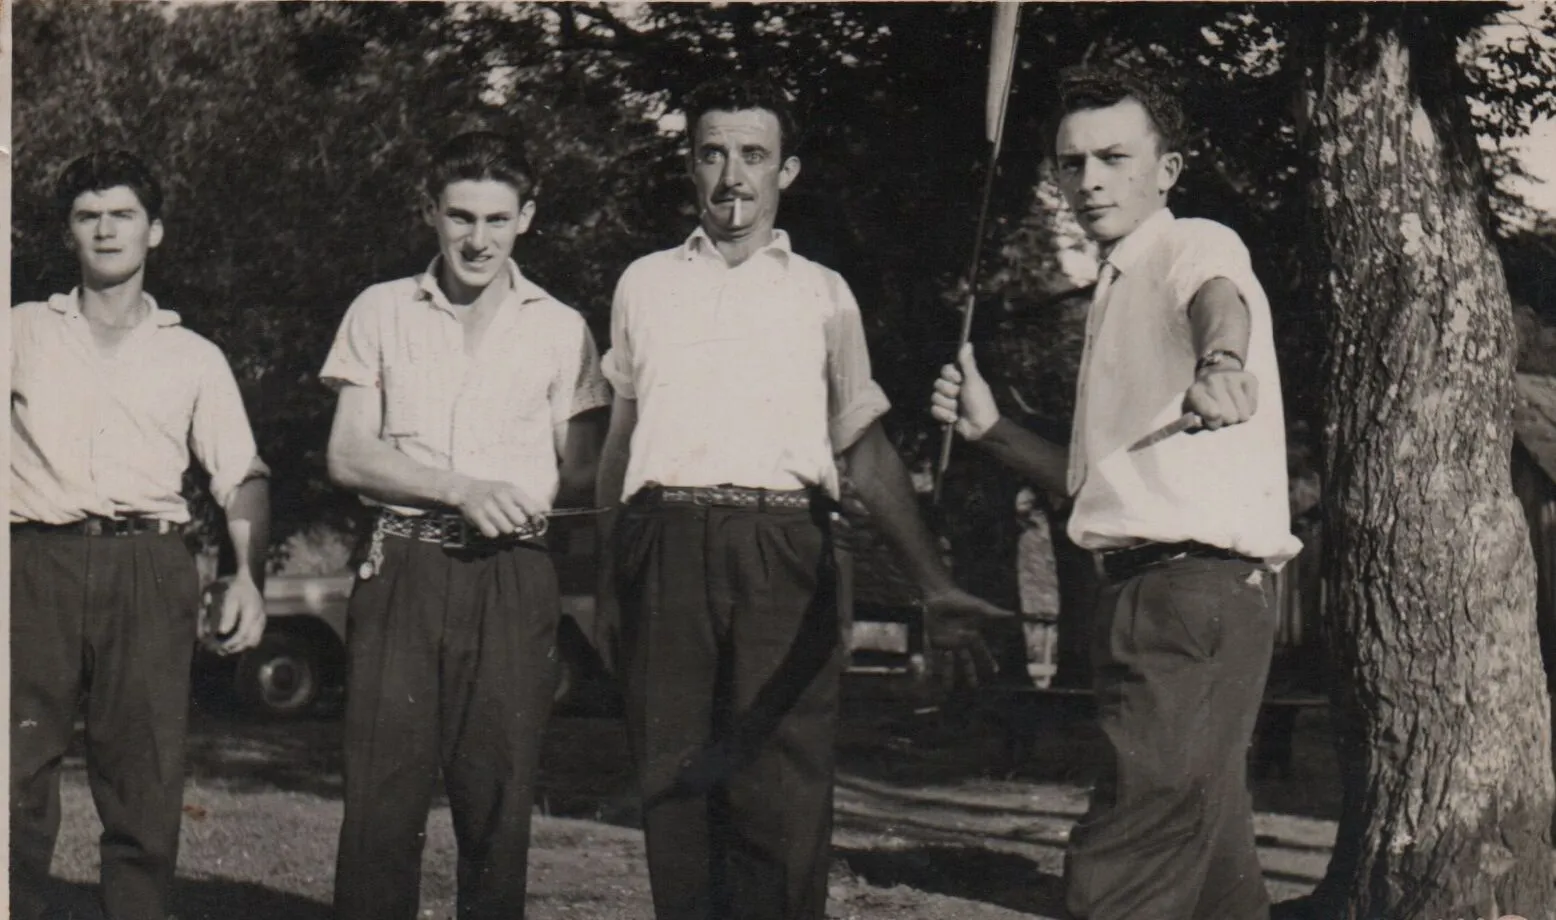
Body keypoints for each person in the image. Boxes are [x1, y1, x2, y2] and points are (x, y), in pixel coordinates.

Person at [596, 75, 1011, 920]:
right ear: (690, 163)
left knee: (779, 794)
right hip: (663, 542)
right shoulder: (643, 282)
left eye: (754, 155)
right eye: (712, 153)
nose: (732, 177)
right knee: (675, 787)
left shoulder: (824, 293)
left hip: (786, 547)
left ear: (787, 171)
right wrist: (609, 577)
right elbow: (619, 441)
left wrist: (933, 584)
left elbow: (863, 447)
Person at [932, 67, 1303, 920]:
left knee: (1125, 857)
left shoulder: (1189, 245)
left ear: (1166, 170)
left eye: (1113, 157)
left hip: (1189, 597)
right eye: (1071, 163)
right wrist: (992, 431)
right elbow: (1096, 485)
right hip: (1156, 592)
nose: (1089, 180)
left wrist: (1221, 364)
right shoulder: (1116, 285)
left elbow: (1223, 300)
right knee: (1214, 869)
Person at [320, 129, 609, 920]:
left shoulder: (562, 327)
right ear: (430, 213)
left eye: (496, 219)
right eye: (459, 217)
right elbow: (348, 454)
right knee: (381, 802)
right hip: (404, 567)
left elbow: (581, 474)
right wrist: (460, 489)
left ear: (527, 218)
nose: (477, 239)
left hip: (514, 576)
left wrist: (534, 509)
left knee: (498, 799)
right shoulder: (380, 309)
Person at [10, 150, 271, 920]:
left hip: (151, 569)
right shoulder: (20, 329)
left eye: (122, 214)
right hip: (33, 565)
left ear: (153, 231)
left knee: (144, 786)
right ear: (68, 234)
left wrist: (247, 574)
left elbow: (243, 474)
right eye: (88, 216)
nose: (105, 229)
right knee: (10, 781)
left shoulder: (193, 355)